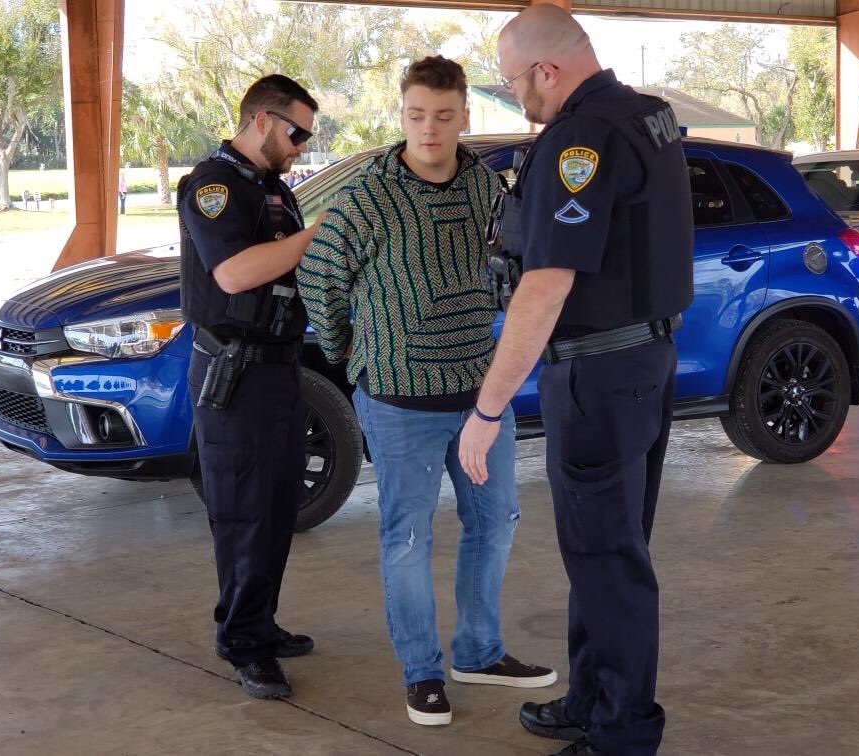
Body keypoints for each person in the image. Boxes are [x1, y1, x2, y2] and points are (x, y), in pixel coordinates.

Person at [457, 6, 694, 756]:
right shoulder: (647, 116)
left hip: (597, 373)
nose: (515, 95)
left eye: (513, 82)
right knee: (603, 549)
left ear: (547, 70)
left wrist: (487, 410)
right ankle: (591, 698)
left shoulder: (579, 139)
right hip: (642, 363)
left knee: (607, 559)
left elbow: (545, 284)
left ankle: (622, 733)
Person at [297, 55, 556, 728]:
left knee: (495, 523)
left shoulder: (486, 188)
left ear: (464, 116)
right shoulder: (369, 197)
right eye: (416, 116)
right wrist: (348, 353)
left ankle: (479, 651)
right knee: (408, 538)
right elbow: (318, 275)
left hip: (480, 399)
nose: (430, 130)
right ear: (403, 116)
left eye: (443, 116)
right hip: (398, 402)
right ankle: (422, 673)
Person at [177, 74, 323, 700]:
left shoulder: (271, 188)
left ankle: (258, 622)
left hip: (278, 367)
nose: (301, 145)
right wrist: (315, 235)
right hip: (234, 374)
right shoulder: (213, 186)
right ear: (261, 120)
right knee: (243, 512)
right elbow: (234, 274)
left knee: (277, 507)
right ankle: (243, 644)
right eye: (296, 132)